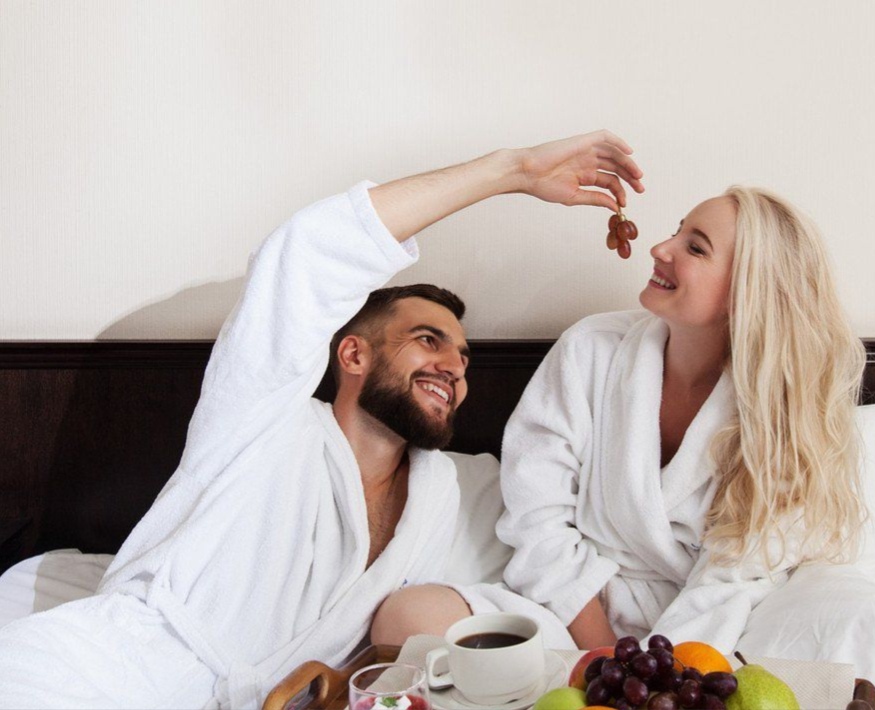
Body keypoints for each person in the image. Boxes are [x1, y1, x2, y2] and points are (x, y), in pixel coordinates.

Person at [0, 130, 644, 709]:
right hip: (116, 668)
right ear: (353, 354)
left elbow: (555, 544)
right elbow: (305, 255)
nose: (453, 366)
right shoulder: (264, 416)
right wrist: (511, 170)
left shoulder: (450, 492)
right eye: (428, 340)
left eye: (462, 357)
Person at [370, 178, 875, 690]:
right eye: (677, 231)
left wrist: (664, 676)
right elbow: (535, 513)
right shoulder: (591, 350)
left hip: (724, 621)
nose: (660, 248)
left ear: (746, 291)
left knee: (864, 625)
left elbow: (736, 575)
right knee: (408, 616)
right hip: (580, 605)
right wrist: (604, 659)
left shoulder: (784, 412)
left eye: (695, 247)